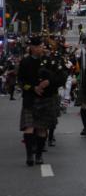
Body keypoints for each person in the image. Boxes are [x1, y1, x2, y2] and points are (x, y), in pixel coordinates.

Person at [18, 36, 59, 166]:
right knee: (29, 127)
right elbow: (21, 82)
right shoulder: (25, 62)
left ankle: (39, 155)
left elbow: (58, 76)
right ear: (33, 48)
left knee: (42, 129)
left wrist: (49, 82)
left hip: (45, 98)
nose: (42, 48)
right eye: (40, 46)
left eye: (42, 46)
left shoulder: (48, 61)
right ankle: (29, 155)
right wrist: (33, 88)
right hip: (30, 98)